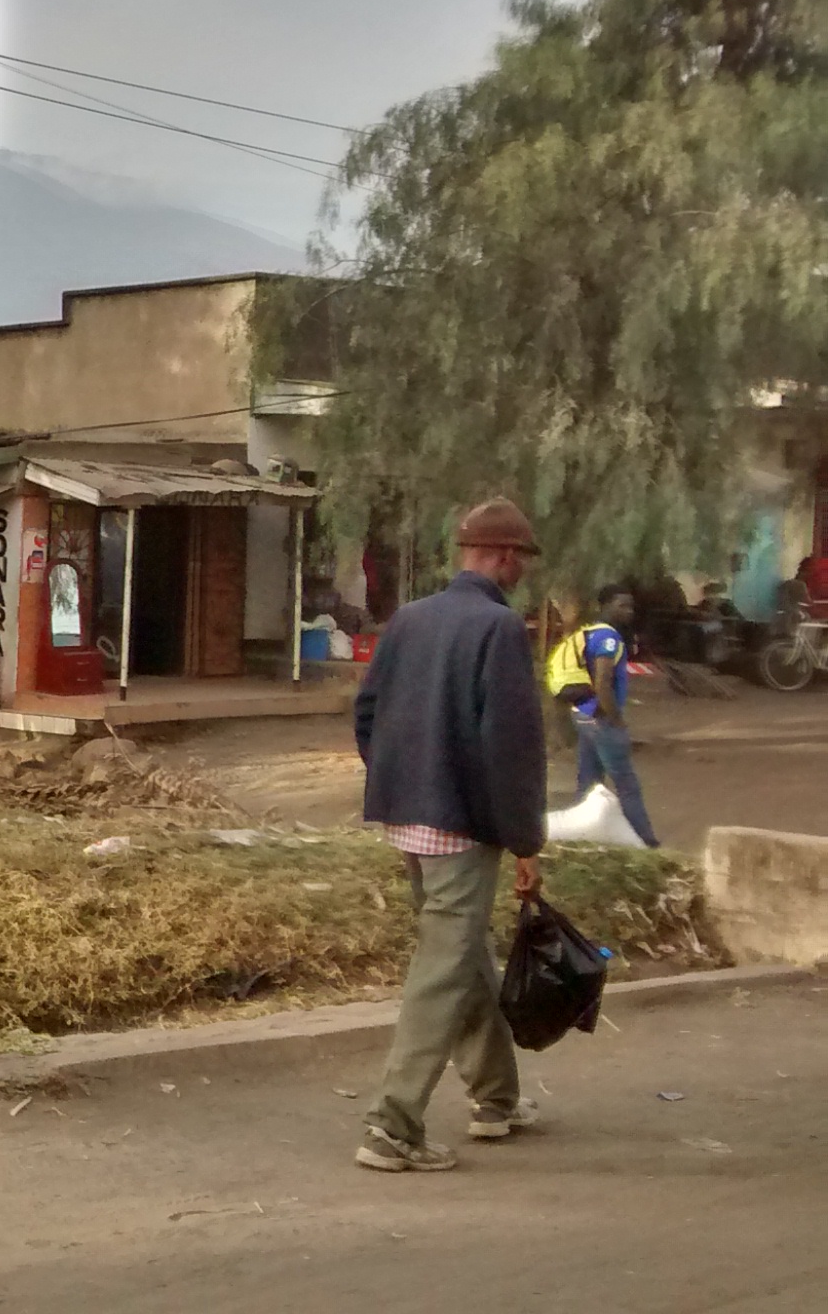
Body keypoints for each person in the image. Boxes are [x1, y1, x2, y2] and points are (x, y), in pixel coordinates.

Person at [349, 498, 548, 1173]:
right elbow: (511, 748)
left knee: (462, 956)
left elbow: (367, 713)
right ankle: (392, 1127)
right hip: (462, 826)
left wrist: (400, 780)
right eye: (522, 559)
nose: (523, 570)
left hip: (405, 816)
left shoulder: (409, 618)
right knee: (443, 969)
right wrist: (525, 840)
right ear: (504, 557)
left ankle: (496, 1099)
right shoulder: (500, 627)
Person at [547, 585, 657, 847]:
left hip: (583, 714)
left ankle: (581, 836)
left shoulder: (590, 633)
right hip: (601, 718)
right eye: (621, 605)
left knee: (588, 780)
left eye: (630, 606)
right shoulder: (609, 639)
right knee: (626, 783)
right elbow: (603, 683)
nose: (628, 611)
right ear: (604, 606)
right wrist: (616, 719)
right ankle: (646, 841)